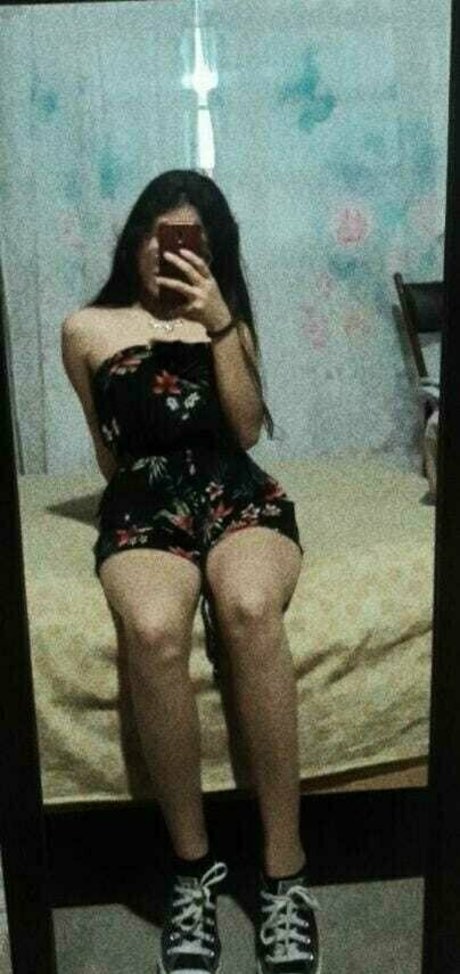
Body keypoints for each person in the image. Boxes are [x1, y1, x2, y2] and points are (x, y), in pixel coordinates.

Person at [61, 169, 321, 974]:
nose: (165, 251)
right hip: (145, 501)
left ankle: (284, 873)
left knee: (248, 607)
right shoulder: (86, 328)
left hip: (234, 490)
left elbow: (244, 431)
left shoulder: (225, 317)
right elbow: (108, 454)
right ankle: (190, 869)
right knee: (152, 628)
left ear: (212, 252)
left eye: (188, 240)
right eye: (155, 232)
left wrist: (219, 325)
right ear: (133, 238)